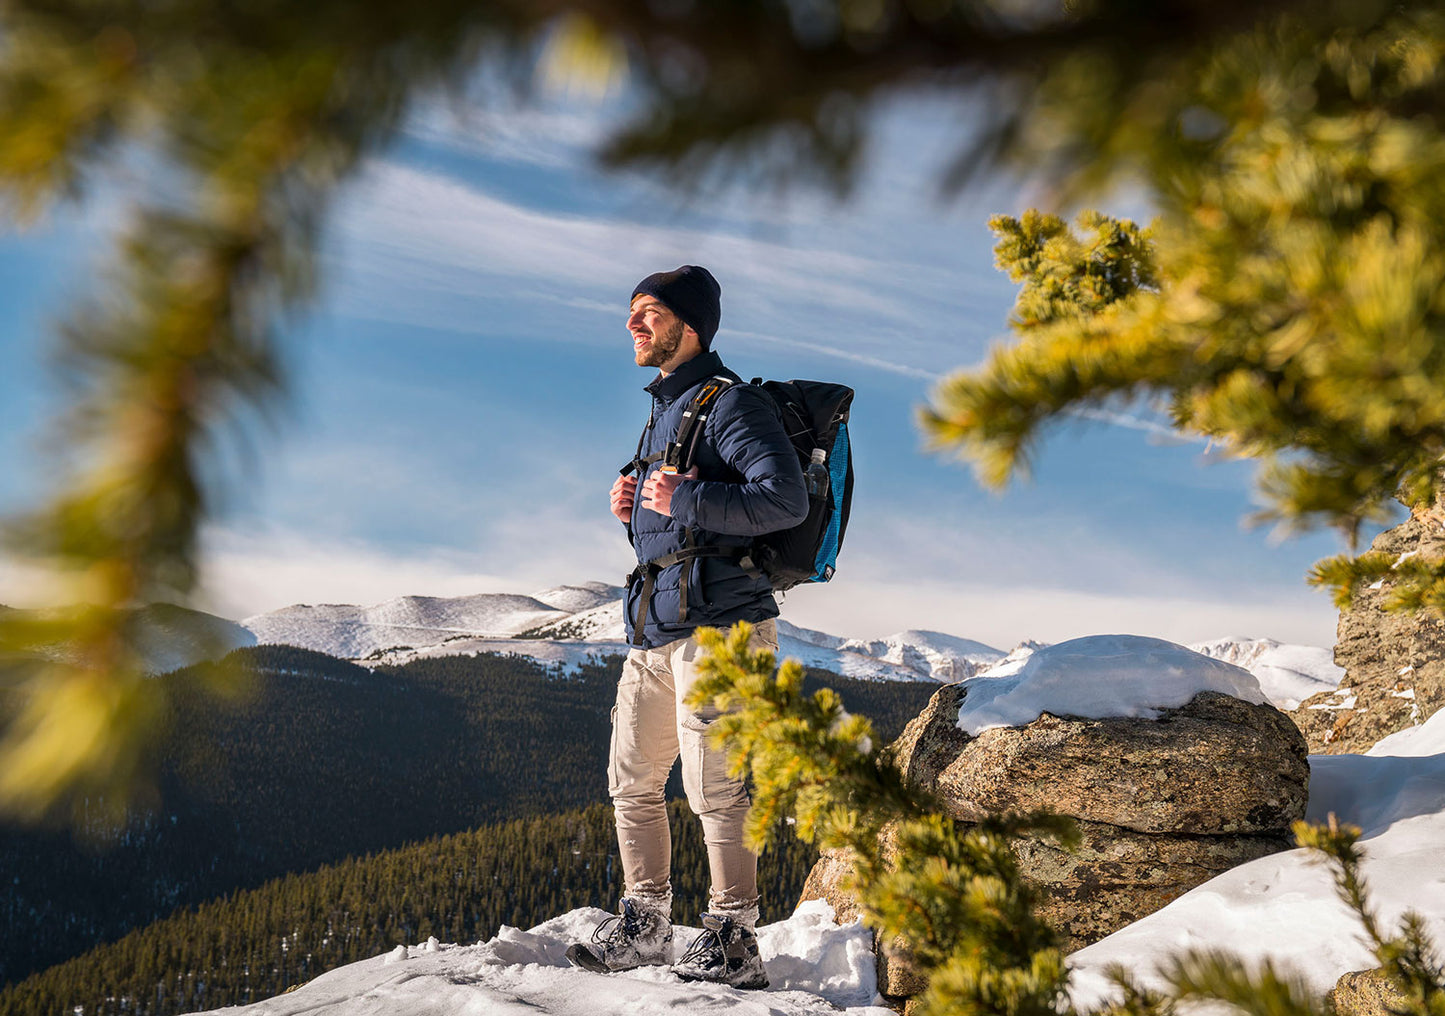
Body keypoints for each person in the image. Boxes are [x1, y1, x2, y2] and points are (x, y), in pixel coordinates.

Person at [567, 265, 808, 989]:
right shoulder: (666, 410)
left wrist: (686, 496)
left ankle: (733, 938)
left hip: (724, 630)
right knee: (633, 781)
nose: (634, 326)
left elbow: (783, 499)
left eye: (648, 313)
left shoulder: (732, 404)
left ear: (688, 324)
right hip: (656, 629)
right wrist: (634, 511)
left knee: (715, 786)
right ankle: (644, 923)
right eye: (632, 314)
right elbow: (678, 533)